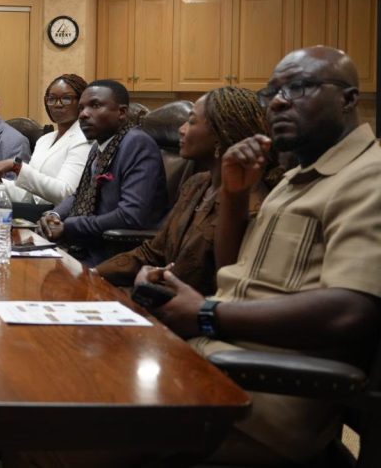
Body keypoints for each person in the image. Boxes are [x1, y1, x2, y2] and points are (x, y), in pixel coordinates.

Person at [151, 46, 381, 465]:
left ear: (349, 98)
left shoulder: (370, 178)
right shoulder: (294, 179)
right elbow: (234, 273)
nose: (277, 101)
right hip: (208, 366)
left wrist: (206, 314)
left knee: (63, 431)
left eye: (299, 87)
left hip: (259, 400)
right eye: (272, 91)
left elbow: (350, 312)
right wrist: (235, 196)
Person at [96, 86, 280, 294]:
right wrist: (92, 273)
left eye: (191, 122)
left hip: (192, 308)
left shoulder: (250, 204)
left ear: (220, 135)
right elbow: (153, 252)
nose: (181, 129)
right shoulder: (196, 184)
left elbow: (226, 287)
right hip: (157, 296)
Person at [41, 79, 167, 264]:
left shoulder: (137, 144)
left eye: (95, 105)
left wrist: (69, 227)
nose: (83, 114)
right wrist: (54, 216)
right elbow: (80, 194)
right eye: (81, 108)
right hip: (88, 248)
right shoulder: (99, 146)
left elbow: (130, 216)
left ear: (122, 112)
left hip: (115, 256)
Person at [0, 74, 90, 207]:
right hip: (36, 213)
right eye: (52, 99)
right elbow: (29, 195)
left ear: (81, 102)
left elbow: (66, 193)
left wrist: (17, 166)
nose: (58, 104)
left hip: (61, 217)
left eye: (66, 98)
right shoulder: (44, 140)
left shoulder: (84, 139)